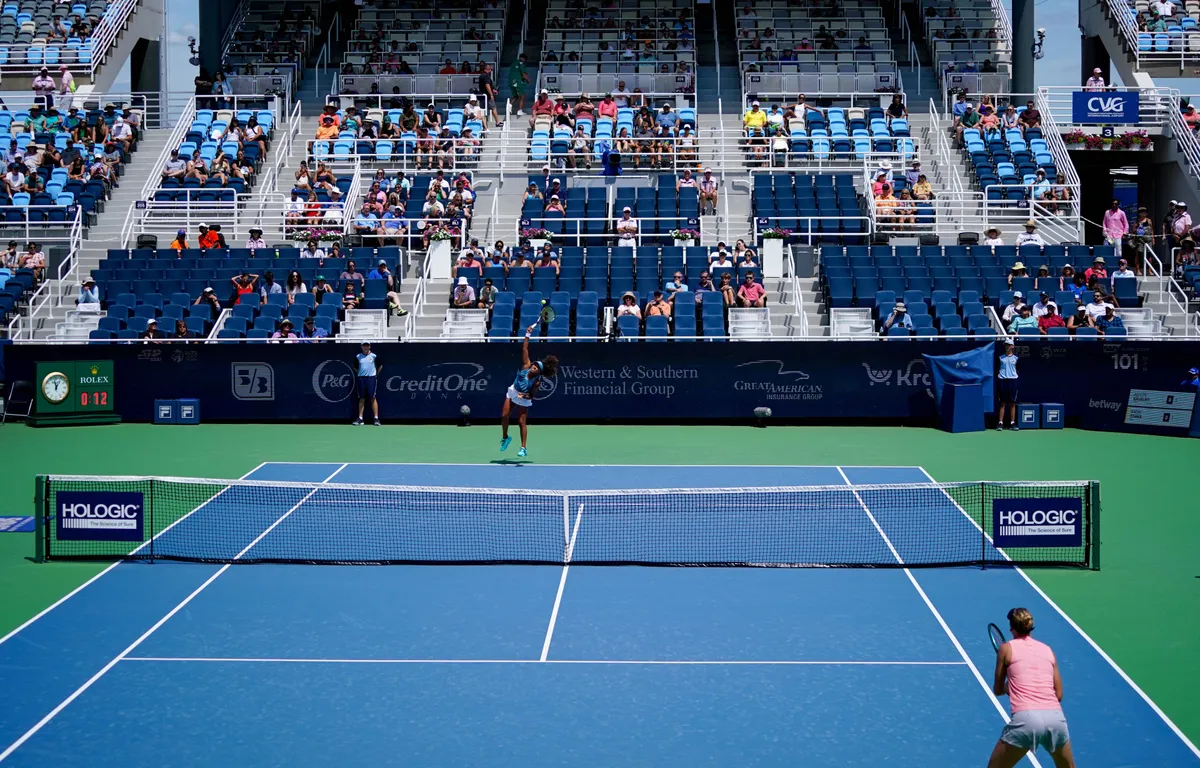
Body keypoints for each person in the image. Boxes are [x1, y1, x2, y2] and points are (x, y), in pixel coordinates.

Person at [988, 607, 1075, 767]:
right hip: (1055, 720)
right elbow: (1059, 694)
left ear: (1011, 628)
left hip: (1026, 721)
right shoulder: (1048, 650)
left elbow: (998, 690)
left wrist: (1009, 687)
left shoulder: (1006, 649)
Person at [499, 325, 559, 458]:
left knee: (521, 422)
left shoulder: (536, 382)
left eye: (537, 367)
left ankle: (523, 448)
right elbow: (525, 348)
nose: (534, 366)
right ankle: (505, 437)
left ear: (539, 372)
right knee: (504, 416)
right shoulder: (526, 365)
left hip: (523, 398)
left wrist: (524, 395)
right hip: (513, 390)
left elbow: (531, 396)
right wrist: (527, 334)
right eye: (534, 364)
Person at [353, 341, 382, 426]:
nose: (365, 347)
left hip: (371, 379)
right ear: (361, 347)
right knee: (362, 398)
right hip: (361, 379)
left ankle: (376, 418)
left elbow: (380, 366)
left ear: (370, 346)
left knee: (372, 397)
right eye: (364, 346)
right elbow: (355, 367)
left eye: (367, 346)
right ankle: (360, 419)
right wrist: (360, 374)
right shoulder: (358, 357)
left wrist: (375, 374)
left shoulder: (374, 356)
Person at [996, 342, 1019, 430]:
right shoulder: (1000, 358)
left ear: (1012, 346)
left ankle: (1012, 423)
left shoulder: (1016, 358)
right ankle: (1000, 423)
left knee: (1012, 403)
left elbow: (1018, 369)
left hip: (1013, 381)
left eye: (1009, 345)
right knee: (1002, 403)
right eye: (1006, 345)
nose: (1007, 346)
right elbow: (997, 369)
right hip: (1002, 381)